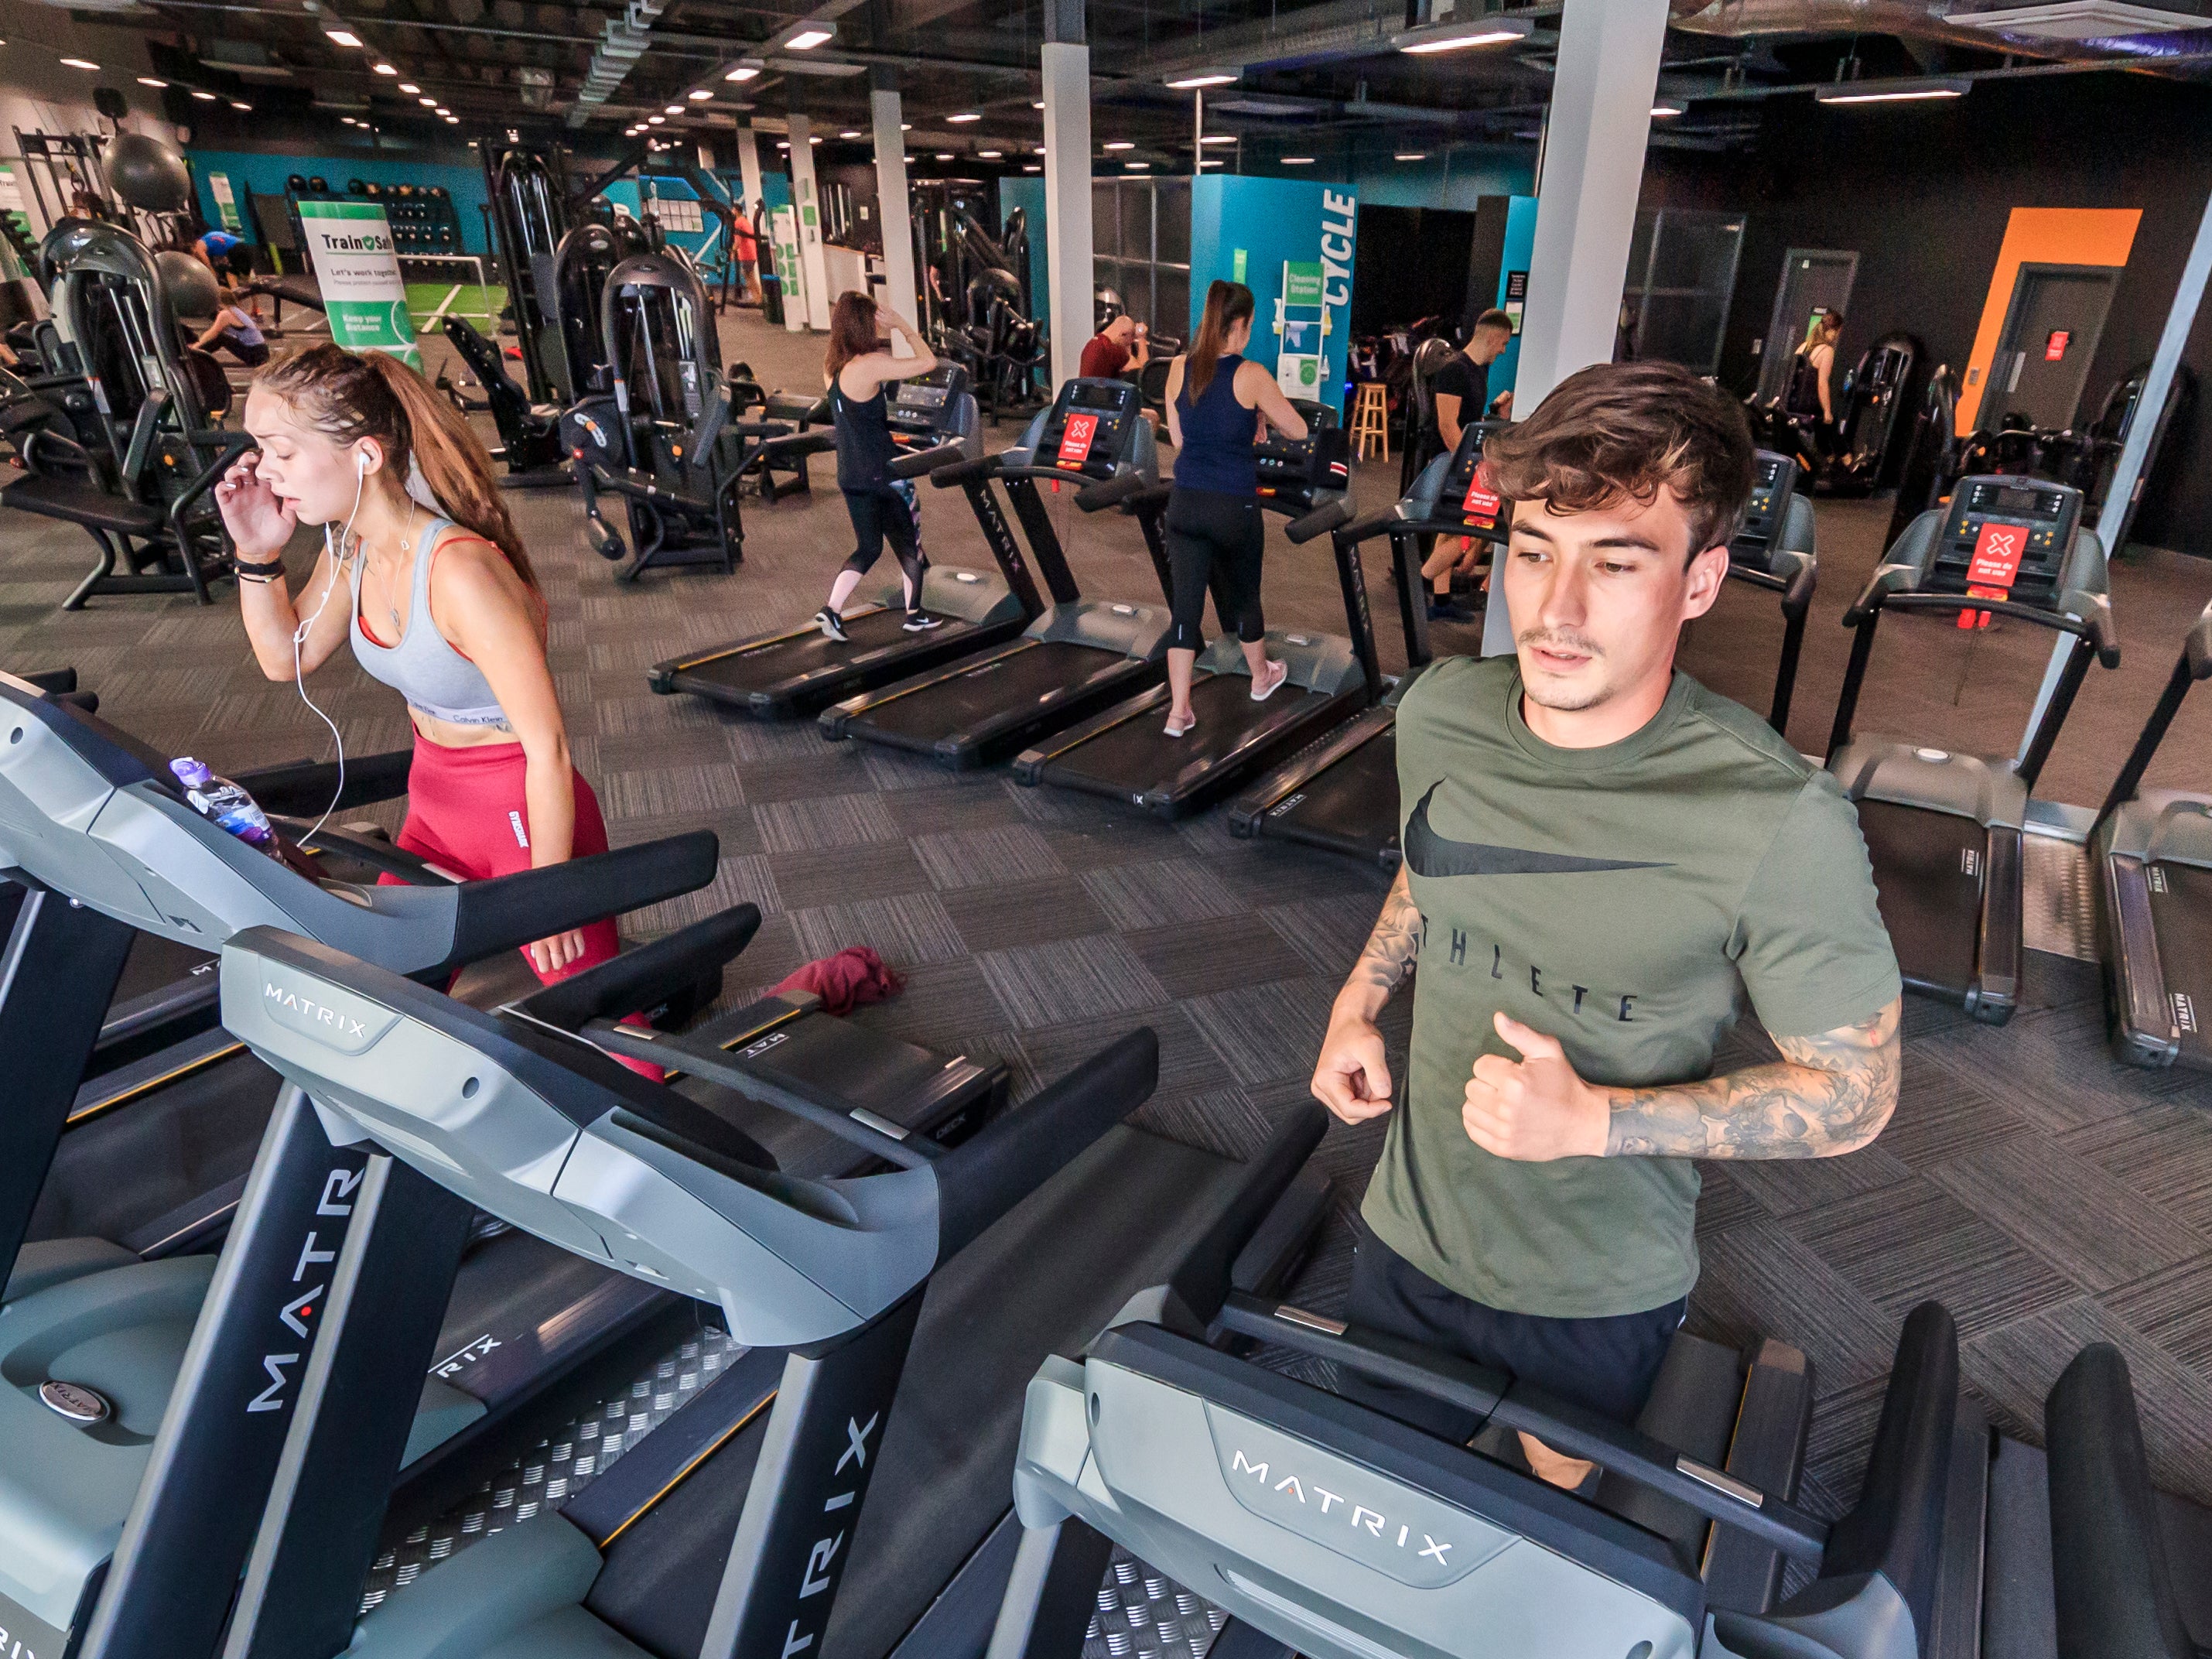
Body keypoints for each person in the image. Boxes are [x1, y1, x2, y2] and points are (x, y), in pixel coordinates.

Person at [1310, 361, 1901, 1493]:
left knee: (1550, 1492)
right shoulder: (1441, 713)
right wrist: (1356, 1000)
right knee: (1385, 1484)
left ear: (1696, 582)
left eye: (1614, 563)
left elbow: (1854, 1097)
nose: (1554, 609)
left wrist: (1597, 1125)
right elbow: (1429, 867)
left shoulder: (1778, 819)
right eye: (1533, 552)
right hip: (1408, 1227)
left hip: (1595, 1278)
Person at [214, 344, 624, 990]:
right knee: (385, 989)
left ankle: (822, 985)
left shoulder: (460, 572)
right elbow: (282, 660)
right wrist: (256, 552)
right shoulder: (354, 547)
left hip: (520, 809)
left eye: (283, 452)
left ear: (367, 455)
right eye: (262, 450)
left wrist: (551, 895)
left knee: (604, 1023)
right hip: (435, 802)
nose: (267, 473)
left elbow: (547, 747)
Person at [1159, 279, 1310, 738]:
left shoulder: (1179, 368)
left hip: (1184, 503)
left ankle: (1179, 711)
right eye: (1250, 324)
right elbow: (1300, 429)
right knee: (1245, 595)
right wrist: (1257, 415)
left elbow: (1181, 439)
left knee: (1185, 613)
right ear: (1240, 324)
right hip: (1233, 506)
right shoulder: (1252, 374)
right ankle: (1261, 678)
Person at [813, 290, 941, 641]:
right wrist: (900, 325)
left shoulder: (832, 367)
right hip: (884, 475)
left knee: (869, 547)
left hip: (849, 475)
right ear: (863, 323)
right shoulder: (870, 364)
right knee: (910, 543)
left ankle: (832, 610)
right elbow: (928, 362)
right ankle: (914, 615)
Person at [1419, 308, 1517, 621]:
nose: (1503, 350)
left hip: (1463, 458)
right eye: (1502, 343)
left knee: (1450, 533)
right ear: (1490, 336)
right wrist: (1470, 470)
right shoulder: (1453, 370)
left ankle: (1442, 601)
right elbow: (1448, 427)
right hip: (1449, 459)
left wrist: (1496, 412)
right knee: (1470, 528)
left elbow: (1469, 421)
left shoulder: (1479, 371)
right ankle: (1422, 577)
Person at [1786, 310, 1844, 447]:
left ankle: (1829, 458)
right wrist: (1827, 411)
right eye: (1838, 331)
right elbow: (1822, 384)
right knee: (1832, 425)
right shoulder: (1827, 351)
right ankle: (1847, 462)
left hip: (1793, 405)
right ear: (1832, 331)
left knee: (1824, 435)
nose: (1837, 336)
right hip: (1810, 408)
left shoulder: (1803, 346)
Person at [191, 284, 269, 368]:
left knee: (221, 337)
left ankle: (194, 356)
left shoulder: (226, 314)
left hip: (256, 354)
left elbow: (212, 332)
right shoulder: (234, 310)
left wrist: (195, 346)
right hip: (260, 352)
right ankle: (196, 354)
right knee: (222, 336)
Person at [1080, 311, 1150, 382]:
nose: (1130, 345)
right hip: (1101, 392)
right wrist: (1141, 338)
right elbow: (1143, 372)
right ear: (1123, 334)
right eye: (1128, 343)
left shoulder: (1092, 343)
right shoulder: (1111, 349)